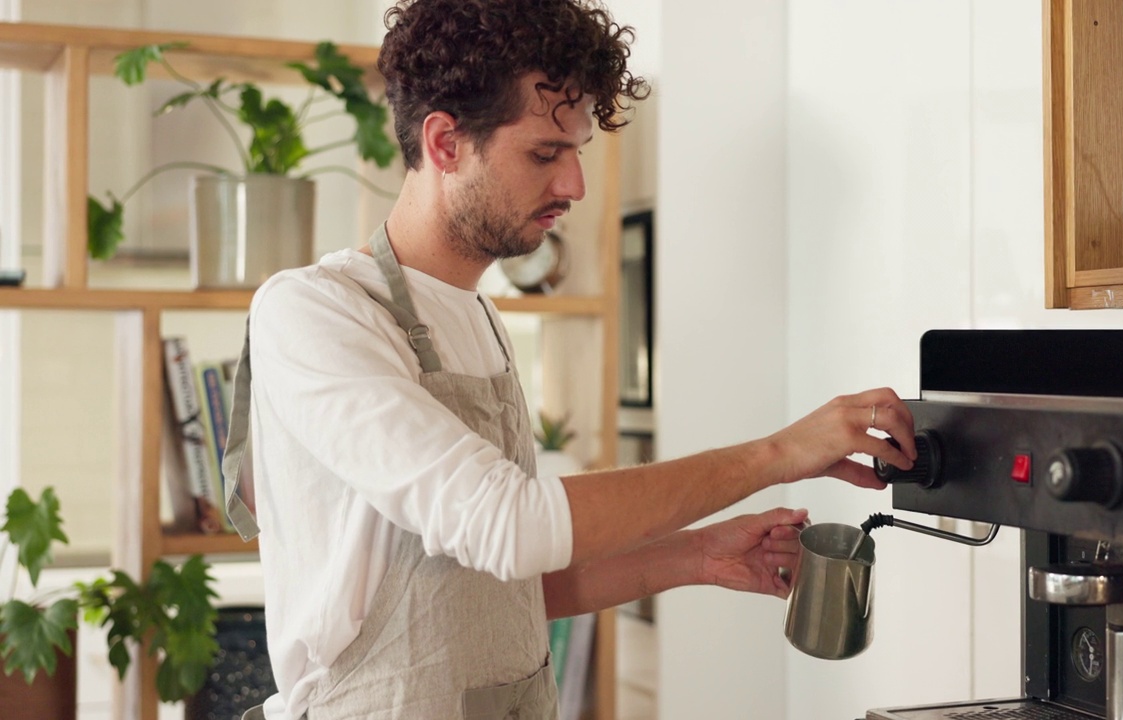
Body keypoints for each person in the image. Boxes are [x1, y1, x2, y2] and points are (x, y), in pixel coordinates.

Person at [221, 1, 918, 718]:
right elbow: (510, 524)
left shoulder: (482, 318)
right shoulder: (315, 312)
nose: (574, 186)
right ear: (445, 144)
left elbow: (503, 587)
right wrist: (781, 451)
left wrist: (699, 556)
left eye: (577, 152)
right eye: (545, 154)